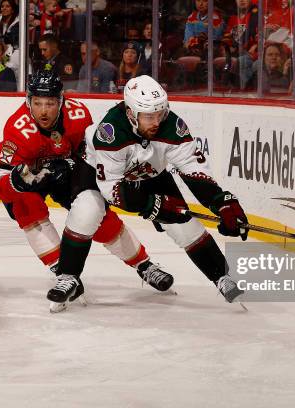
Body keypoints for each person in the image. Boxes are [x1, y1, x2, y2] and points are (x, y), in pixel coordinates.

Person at [0, 69, 173, 311]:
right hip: (33, 180)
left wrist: (72, 164)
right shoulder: (18, 129)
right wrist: (20, 178)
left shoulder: (78, 115)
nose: (43, 110)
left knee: (94, 210)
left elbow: (92, 156)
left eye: (50, 103)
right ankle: (62, 271)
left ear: (61, 101)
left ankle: (144, 265)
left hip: (67, 173)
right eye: (37, 103)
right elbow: (0, 187)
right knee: (25, 205)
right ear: (28, 102)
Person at [85, 75, 248, 304]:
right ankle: (69, 274)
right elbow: (111, 188)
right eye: (149, 116)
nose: (156, 122)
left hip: (151, 174)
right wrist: (150, 205)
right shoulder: (111, 130)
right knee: (87, 219)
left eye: (159, 114)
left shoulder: (171, 125)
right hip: (99, 176)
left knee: (185, 225)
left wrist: (221, 201)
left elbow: (193, 170)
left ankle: (221, 276)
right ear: (131, 114)